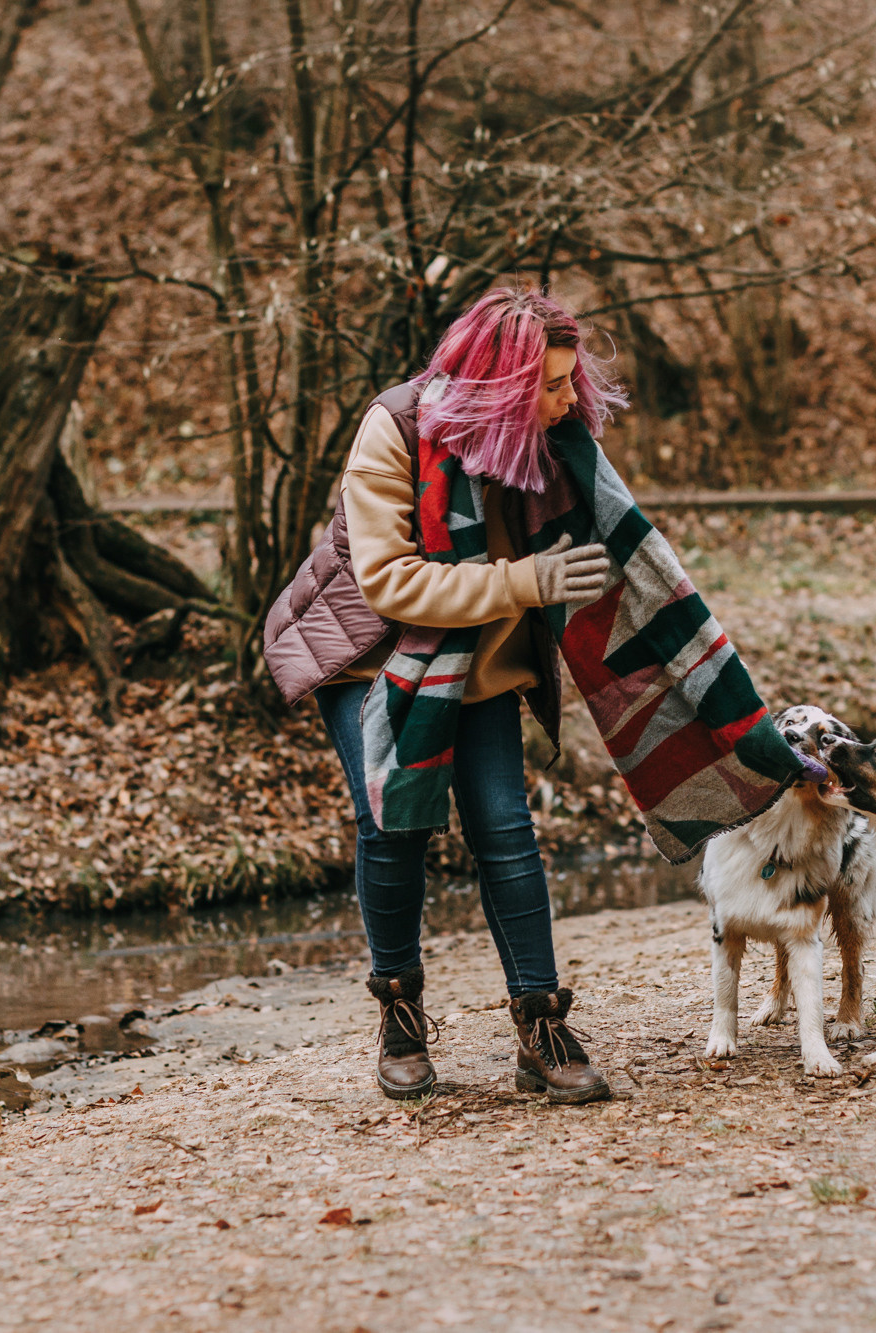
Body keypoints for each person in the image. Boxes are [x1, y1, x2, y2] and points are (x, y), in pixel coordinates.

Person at [267, 289, 625, 1105]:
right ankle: (399, 1013)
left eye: (573, 382)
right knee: (395, 824)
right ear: (506, 387)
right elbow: (389, 582)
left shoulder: (552, 438)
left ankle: (542, 1024)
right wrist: (526, 579)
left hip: (484, 657)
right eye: (556, 384)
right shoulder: (392, 430)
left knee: (505, 826)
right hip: (378, 655)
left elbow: (608, 533)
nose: (574, 400)